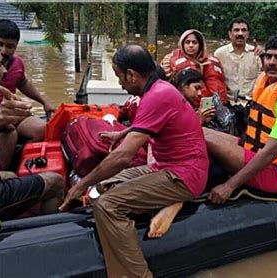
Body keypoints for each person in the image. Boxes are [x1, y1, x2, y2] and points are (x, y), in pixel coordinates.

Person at [59, 45, 209, 278]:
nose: (120, 83)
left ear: (131, 74)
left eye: (119, 76)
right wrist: (122, 134)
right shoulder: (158, 90)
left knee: (109, 205)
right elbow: (150, 127)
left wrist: (78, 185)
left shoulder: (157, 96)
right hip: (164, 167)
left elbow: (123, 157)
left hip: (184, 175)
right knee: (99, 189)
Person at [205, 33, 277, 204]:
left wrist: (229, 186)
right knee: (199, 132)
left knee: (203, 138)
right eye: (269, 56)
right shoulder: (267, 84)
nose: (272, 62)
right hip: (254, 149)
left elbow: (270, 153)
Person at [0, 38, 63, 227]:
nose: (4, 70)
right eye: (0, 64)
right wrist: (1, 114)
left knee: (11, 176)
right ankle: (46, 236)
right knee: (56, 182)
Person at [0, 20, 55, 169]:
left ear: (16, 46)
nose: (4, 51)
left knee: (43, 128)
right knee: (9, 133)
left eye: (10, 46)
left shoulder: (17, 63)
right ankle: (0, 174)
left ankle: (23, 168)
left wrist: (44, 102)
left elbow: (23, 82)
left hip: (11, 115)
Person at [160, 29, 227, 107]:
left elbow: (217, 89)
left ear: (200, 45)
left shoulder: (210, 62)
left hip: (209, 105)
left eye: (194, 42)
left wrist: (209, 106)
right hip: (180, 104)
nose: (191, 45)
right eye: (187, 42)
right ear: (182, 44)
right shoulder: (169, 60)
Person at [214, 17, 263, 100]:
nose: (240, 33)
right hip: (229, 102)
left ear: (248, 34)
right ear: (230, 34)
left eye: (244, 30)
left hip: (251, 102)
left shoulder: (256, 53)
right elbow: (214, 80)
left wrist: (264, 56)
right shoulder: (219, 54)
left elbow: (264, 77)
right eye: (236, 30)